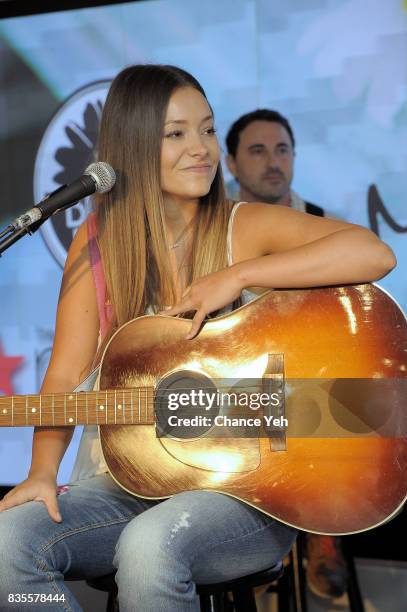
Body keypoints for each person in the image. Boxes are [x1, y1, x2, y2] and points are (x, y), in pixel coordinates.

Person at [0, 65, 395, 612]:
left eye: (207, 130)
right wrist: (42, 472)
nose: (201, 148)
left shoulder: (244, 224)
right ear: (132, 148)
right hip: (131, 482)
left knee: (150, 547)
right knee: (9, 545)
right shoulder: (95, 245)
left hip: (244, 491)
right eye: (176, 134)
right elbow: (64, 376)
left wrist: (234, 276)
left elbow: (375, 254)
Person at [226, 108, 350, 599]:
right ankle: (245, 540)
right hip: (235, 387)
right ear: (231, 164)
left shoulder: (327, 228)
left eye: (282, 150)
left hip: (309, 388)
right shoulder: (215, 230)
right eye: (258, 151)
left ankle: (320, 531)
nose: (273, 162)